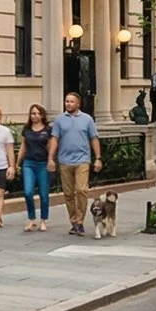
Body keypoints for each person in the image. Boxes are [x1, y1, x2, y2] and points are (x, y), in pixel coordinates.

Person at [52, 92, 100, 236]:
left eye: (72, 102)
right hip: (65, 160)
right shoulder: (59, 120)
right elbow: (54, 139)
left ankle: (80, 221)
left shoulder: (87, 119)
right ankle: (73, 221)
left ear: (78, 104)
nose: (69, 104)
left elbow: (94, 138)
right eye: (67, 101)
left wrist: (98, 158)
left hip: (82, 160)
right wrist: (50, 158)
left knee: (81, 190)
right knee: (68, 194)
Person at [16, 104, 57, 233]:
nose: (35, 116)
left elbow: (51, 147)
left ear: (43, 115)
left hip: (42, 164)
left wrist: (51, 160)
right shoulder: (26, 129)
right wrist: (17, 163)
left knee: (44, 194)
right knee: (28, 192)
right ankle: (32, 219)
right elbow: (23, 146)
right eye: (33, 113)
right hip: (29, 163)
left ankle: (43, 220)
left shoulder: (48, 130)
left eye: (38, 113)